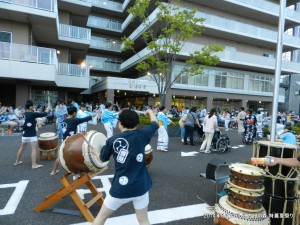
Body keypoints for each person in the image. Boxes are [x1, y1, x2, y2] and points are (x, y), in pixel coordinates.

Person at [92, 109, 159, 225]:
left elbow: (102, 159)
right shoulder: (142, 135)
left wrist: (94, 152)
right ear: (137, 124)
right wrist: (149, 112)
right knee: (144, 220)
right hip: (141, 187)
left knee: (101, 218)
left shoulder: (112, 140)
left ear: (120, 123)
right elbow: (155, 124)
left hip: (120, 189)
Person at [50, 106, 96, 175]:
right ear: (74, 113)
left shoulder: (64, 120)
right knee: (78, 155)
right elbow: (84, 119)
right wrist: (92, 115)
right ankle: (79, 171)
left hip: (64, 141)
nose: (76, 114)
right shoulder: (74, 120)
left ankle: (54, 171)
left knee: (60, 156)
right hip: (72, 142)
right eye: (76, 113)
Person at [14, 100, 50, 169]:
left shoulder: (25, 113)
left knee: (22, 148)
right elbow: (44, 114)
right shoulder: (33, 114)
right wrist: (48, 109)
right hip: (32, 134)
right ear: (30, 107)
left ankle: (17, 161)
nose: (34, 107)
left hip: (24, 134)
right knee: (33, 149)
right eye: (33, 106)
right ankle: (34, 165)